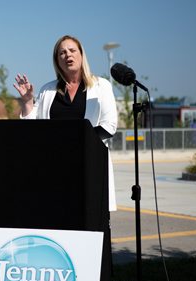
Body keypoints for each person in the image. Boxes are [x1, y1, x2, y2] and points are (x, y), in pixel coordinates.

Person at [13, 34, 118, 212]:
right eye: (61, 53)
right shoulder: (48, 90)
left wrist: (76, 145)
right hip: (55, 168)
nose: (67, 55)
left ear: (81, 55)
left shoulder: (101, 85)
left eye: (72, 50)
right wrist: (27, 102)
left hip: (88, 166)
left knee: (89, 224)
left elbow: (110, 126)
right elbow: (32, 128)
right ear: (57, 61)